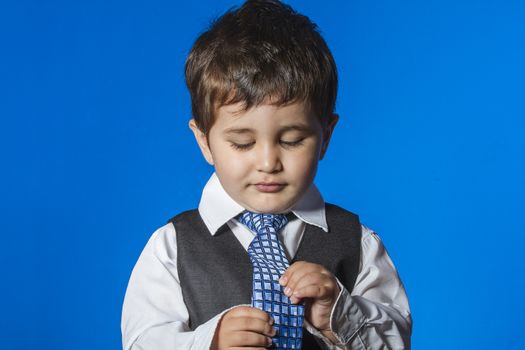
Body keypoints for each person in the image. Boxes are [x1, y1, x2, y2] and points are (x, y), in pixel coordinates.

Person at [121, 0, 412, 349]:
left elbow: (397, 343)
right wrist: (208, 342)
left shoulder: (358, 244)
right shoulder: (171, 248)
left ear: (326, 137)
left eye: (291, 140)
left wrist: (339, 312)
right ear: (205, 142)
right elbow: (141, 342)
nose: (268, 162)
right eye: (242, 143)